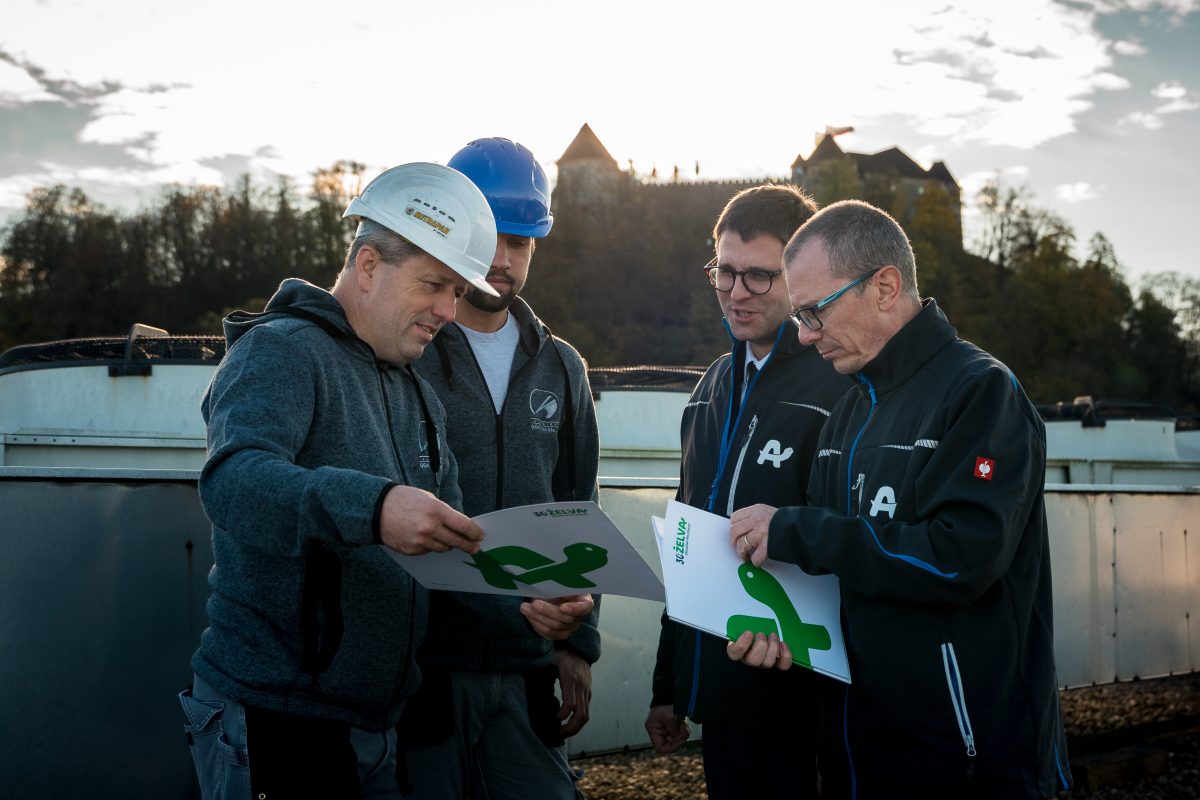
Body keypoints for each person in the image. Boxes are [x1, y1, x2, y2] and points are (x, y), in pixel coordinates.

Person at [728, 199, 1073, 799]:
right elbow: (835, 579)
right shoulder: (849, 409)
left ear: (885, 286)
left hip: (965, 765)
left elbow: (960, 557)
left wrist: (797, 530)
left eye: (814, 312)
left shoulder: (980, 392)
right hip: (855, 762)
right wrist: (782, 630)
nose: (805, 336)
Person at [178, 162, 498, 799]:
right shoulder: (281, 351)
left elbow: (453, 548)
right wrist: (375, 508)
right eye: (435, 284)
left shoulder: (418, 394)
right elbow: (234, 482)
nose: (448, 311)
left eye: (458, 292)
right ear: (370, 265)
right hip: (275, 717)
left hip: (379, 727)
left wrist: (530, 605)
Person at [400, 137, 600, 800]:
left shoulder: (562, 366)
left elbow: (579, 503)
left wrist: (579, 640)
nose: (501, 259)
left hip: (526, 667)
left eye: (520, 241)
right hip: (424, 673)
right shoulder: (406, 349)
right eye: (487, 236)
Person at [644, 184, 853, 798]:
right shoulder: (709, 388)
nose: (736, 293)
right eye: (725, 273)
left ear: (803, 275)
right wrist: (668, 685)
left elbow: (853, 546)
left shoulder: (839, 386)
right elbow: (688, 544)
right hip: (721, 700)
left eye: (759, 277)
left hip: (806, 702)